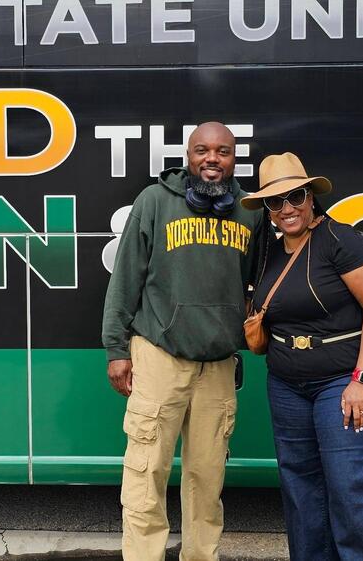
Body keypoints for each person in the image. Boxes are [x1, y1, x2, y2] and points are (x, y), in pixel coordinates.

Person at [102, 122, 265, 561]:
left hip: (218, 364)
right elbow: (125, 279)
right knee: (146, 475)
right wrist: (116, 348)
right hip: (159, 355)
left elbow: (257, 283)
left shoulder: (250, 211)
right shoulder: (154, 201)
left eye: (223, 151)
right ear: (188, 156)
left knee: (207, 480)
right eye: (202, 150)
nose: (212, 159)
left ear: (234, 158)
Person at [241, 153, 363, 561]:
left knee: (350, 487)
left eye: (295, 196)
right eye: (275, 201)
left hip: (344, 381)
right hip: (286, 386)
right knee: (301, 489)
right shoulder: (267, 250)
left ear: (311, 196)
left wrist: (362, 380)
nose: (287, 208)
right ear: (267, 209)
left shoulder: (341, 240)